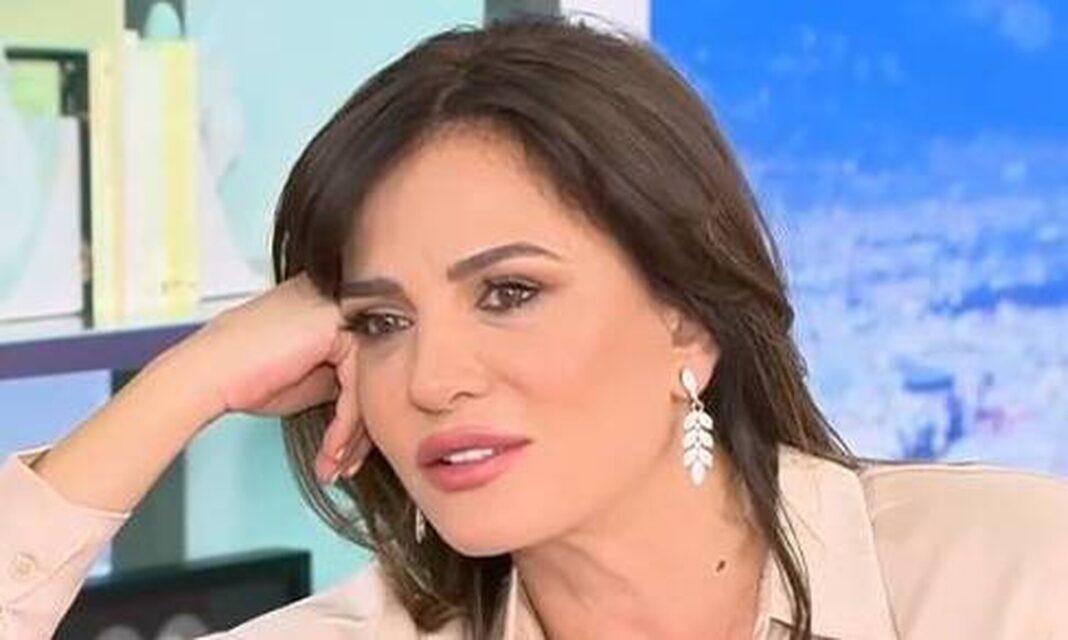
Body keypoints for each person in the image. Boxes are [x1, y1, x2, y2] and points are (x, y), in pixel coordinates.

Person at [2, 16, 1067, 640]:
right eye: (381, 319)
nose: (431, 378)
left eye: (509, 292)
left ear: (690, 320)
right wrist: (186, 381)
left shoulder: (1008, 577)